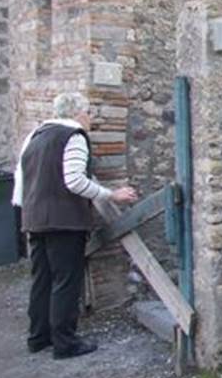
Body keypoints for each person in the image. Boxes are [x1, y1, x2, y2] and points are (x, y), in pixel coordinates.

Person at [12, 93, 138, 359]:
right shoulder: (74, 137)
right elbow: (74, 181)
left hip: (35, 218)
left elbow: (20, 179)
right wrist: (109, 194)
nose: (90, 118)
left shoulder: (34, 136)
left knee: (42, 279)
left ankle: (38, 337)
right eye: (88, 112)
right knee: (65, 281)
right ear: (77, 113)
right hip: (64, 220)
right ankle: (64, 342)